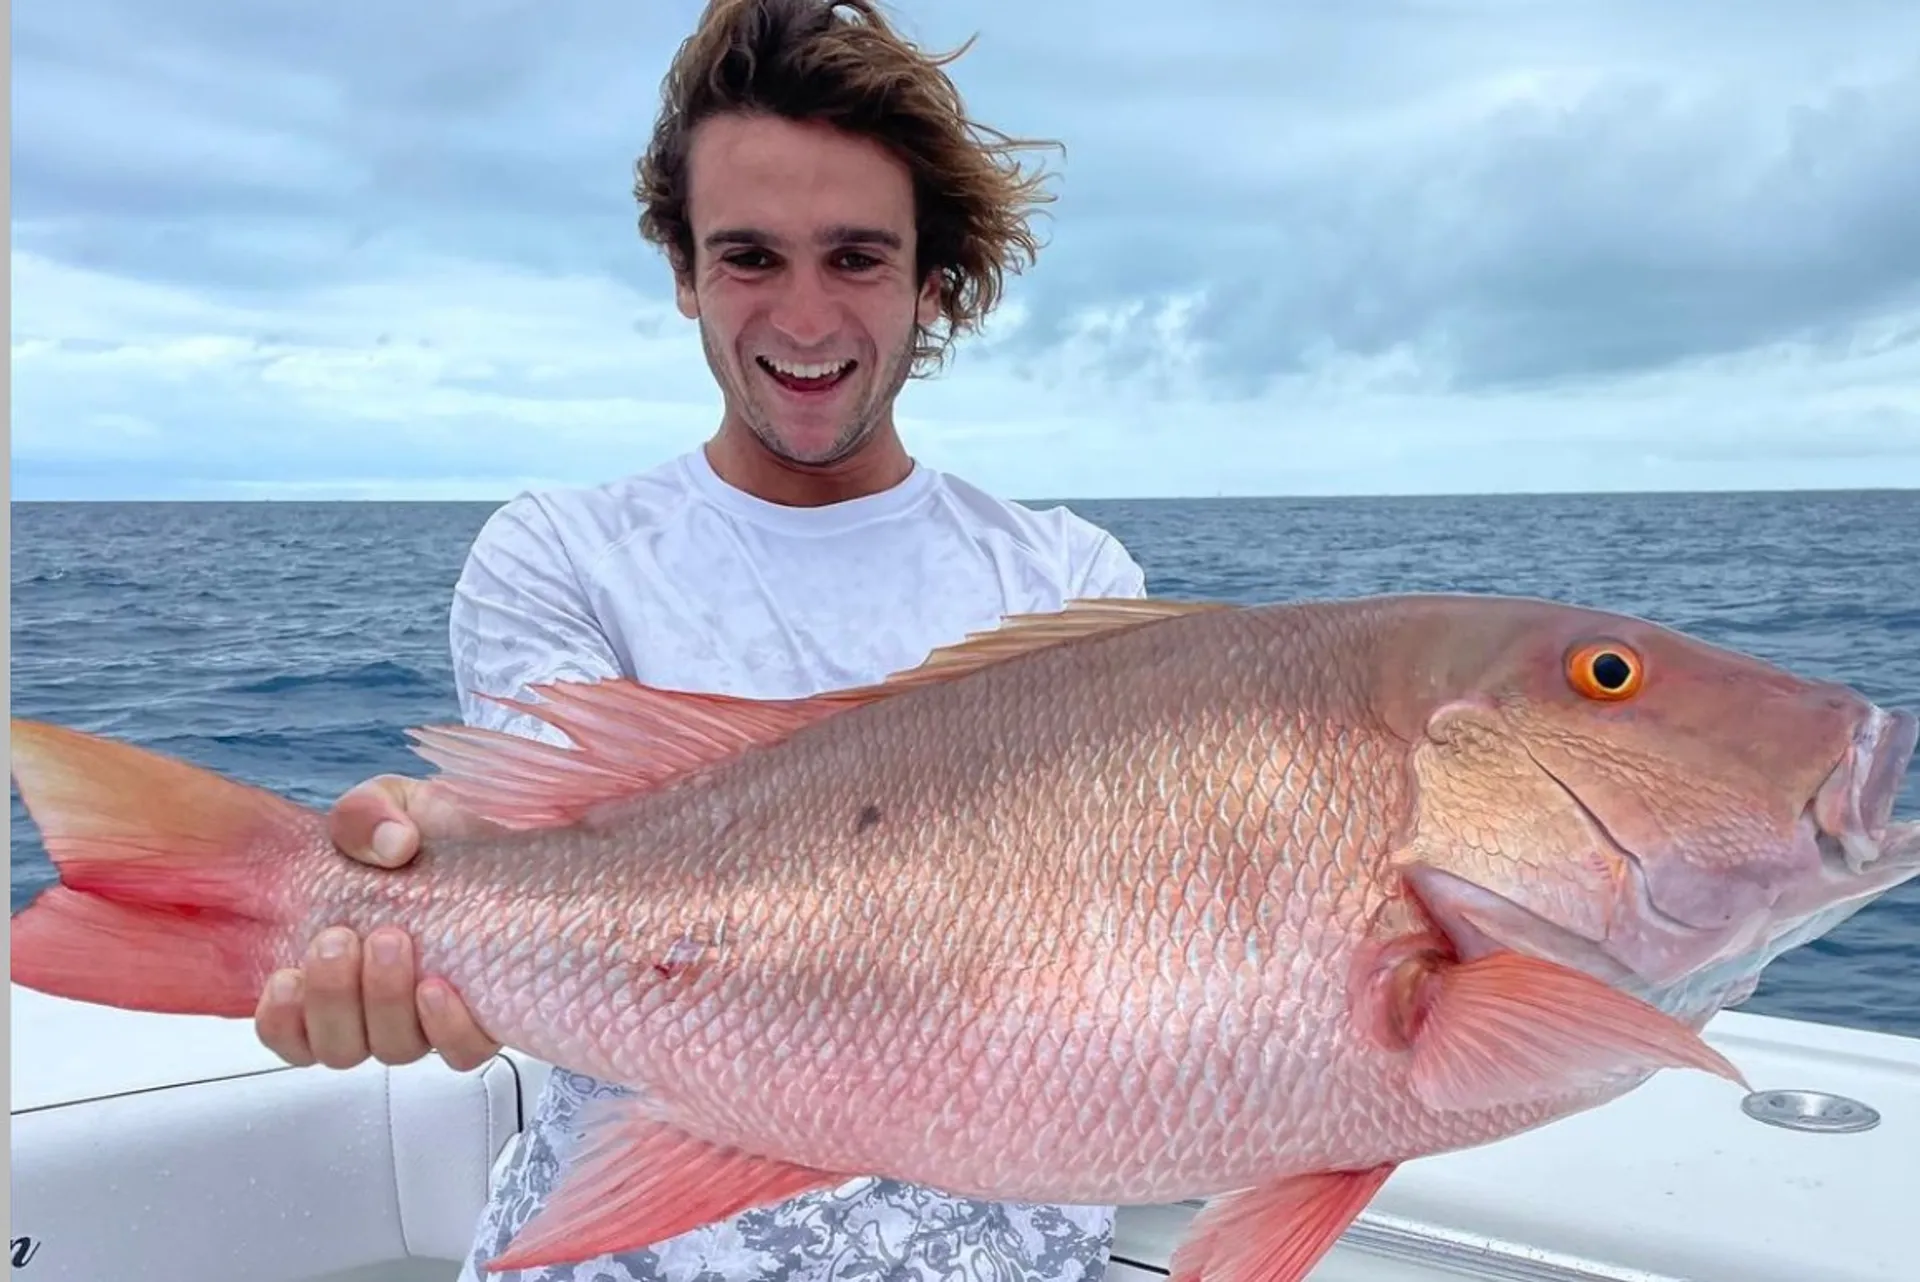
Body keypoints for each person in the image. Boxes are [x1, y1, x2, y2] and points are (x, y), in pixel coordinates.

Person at [251, 2, 1149, 1280]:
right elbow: (541, 856)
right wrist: (414, 885)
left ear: (930, 283)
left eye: (854, 258)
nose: (802, 317)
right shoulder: (560, 553)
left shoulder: (1069, 579)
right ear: (681, 271)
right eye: (747, 257)